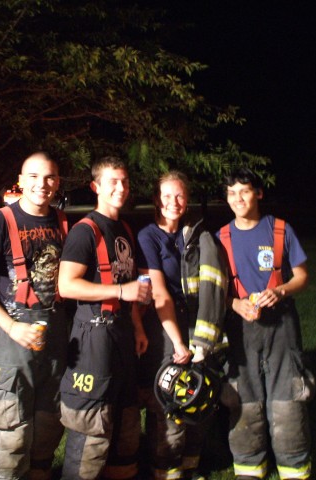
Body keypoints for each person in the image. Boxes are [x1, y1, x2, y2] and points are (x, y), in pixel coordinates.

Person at [0, 152, 68, 480]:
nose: (42, 184)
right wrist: (12, 327)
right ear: (21, 180)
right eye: (34, 176)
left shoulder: (64, 223)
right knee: (12, 429)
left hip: (54, 339)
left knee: (48, 424)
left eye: (50, 177)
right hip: (11, 341)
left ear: (58, 182)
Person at [57, 156, 151, 480]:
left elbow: (133, 290)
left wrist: (137, 326)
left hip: (123, 335)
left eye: (124, 181)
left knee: (125, 418)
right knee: (92, 423)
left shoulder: (124, 228)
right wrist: (120, 292)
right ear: (95, 186)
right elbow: (66, 285)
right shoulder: (86, 231)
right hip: (93, 338)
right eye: (113, 181)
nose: (120, 188)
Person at [217, 167, 314, 480]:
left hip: (281, 327)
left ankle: (294, 467)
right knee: (243, 397)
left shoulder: (280, 230)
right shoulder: (221, 238)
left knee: (288, 396)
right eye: (231, 193)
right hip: (240, 329)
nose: (238, 199)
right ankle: (249, 467)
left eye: (244, 191)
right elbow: (217, 289)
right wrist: (234, 303)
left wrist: (280, 290)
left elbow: (302, 277)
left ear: (258, 193)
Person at [136, 171, 228, 480]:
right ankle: (166, 472)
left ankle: (191, 468)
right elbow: (159, 292)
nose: (173, 202)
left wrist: (202, 338)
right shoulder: (149, 235)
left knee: (200, 398)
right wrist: (178, 343)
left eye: (179, 195)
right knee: (170, 404)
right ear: (157, 201)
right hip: (166, 327)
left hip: (197, 326)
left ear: (186, 199)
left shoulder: (199, 235)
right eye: (166, 196)